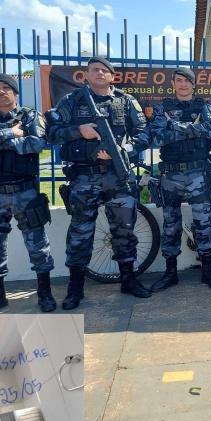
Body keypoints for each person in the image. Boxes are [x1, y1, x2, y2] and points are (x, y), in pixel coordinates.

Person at [46, 55, 150, 309]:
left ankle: (128, 279)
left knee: (124, 229)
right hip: (85, 176)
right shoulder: (72, 100)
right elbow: (52, 132)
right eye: (95, 70)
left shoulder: (126, 101)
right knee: (81, 233)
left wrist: (124, 148)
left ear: (112, 76)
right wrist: (79, 131)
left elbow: (143, 132)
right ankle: (75, 288)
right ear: (87, 75)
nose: (100, 74)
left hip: (118, 174)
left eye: (105, 70)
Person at [0, 73, 56, 313]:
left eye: (6, 88)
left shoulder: (30, 116)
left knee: (38, 245)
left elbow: (37, 143)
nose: (1, 92)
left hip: (25, 191)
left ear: (15, 92)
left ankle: (44, 294)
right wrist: (9, 135)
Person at [145, 67, 211, 292]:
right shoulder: (162, 107)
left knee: (203, 223)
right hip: (170, 175)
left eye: (187, 81)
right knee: (171, 225)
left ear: (194, 84)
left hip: (197, 173)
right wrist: (192, 129)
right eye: (179, 80)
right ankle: (170, 273)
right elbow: (158, 136)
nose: (183, 85)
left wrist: (175, 128)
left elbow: (209, 131)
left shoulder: (205, 107)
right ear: (173, 84)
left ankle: (207, 271)